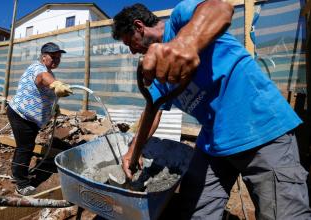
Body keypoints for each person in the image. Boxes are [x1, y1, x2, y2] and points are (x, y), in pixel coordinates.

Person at [112, 1, 311, 219]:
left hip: (261, 128)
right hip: (213, 144)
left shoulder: (180, 20)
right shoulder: (163, 71)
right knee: (196, 211)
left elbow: (220, 8)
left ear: (139, 26)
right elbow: (152, 111)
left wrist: (185, 43)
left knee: (282, 214)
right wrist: (133, 151)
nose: (132, 51)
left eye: (130, 42)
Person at [7, 42, 72, 196]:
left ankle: (16, 173)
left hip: (28, 117)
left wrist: (53, 107)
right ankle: (21, 185)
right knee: (25, 148)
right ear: (44, 57)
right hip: (22, 116)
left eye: (58, 57)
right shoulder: (39, 68)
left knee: (23, 146)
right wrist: (55, 83)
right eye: (53, 56)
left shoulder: (49, 72)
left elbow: (47, 89)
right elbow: (42, 78)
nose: (56, 59)